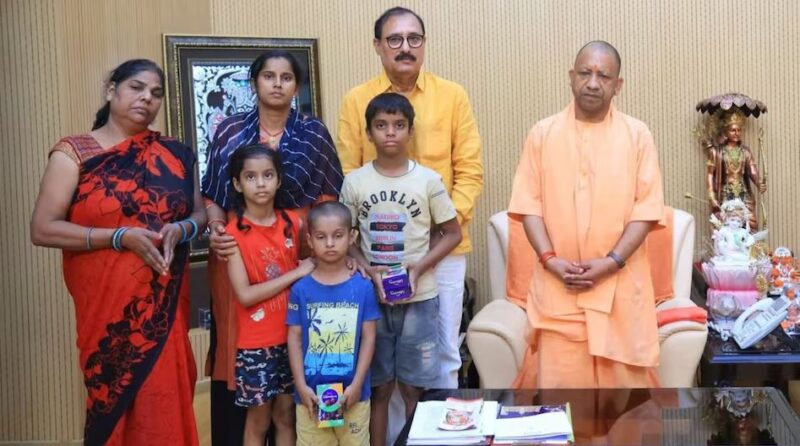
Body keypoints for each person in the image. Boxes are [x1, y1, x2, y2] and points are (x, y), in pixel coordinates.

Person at [30, 59, 205, 445]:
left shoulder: (176, 154)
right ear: (112, 89)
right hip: (108, 312)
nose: (147, 98)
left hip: (162, 308)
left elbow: (199, 215)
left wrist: (182, 229)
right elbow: (43, 228)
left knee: (162, 400)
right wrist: (118, 237)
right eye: (136, 88)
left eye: (156, 93)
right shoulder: (74, 153)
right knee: (113, 404)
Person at [337, 6, 482, 390]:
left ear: (424, 43)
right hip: (379, 253)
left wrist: (439, 228)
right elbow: (348, 173)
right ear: (378, 45)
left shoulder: (452, 96)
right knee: (383, 356)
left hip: (443, 249)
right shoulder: (357, 100)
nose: (405, 47)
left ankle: (439, 422)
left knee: (445, 350)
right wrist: (361, 251)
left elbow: (469, 171)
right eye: (395, 39)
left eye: (413, 39)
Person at [202, 50, 343, 444]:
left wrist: (324, 250)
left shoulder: (313, 132)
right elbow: (212, 192)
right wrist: (216, 228)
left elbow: (329, 196)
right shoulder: (230, 130)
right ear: (254, 83)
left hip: (302, 248)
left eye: (286, 77)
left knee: (299, 362)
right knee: (243, 362)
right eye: (268, 76)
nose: (277, 84)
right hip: (238, 247)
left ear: (297, 86)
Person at [508, 41, 665, 389]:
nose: (593, 83)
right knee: (562, 404)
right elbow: (528, 206)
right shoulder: (543, 134)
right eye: (585, 73)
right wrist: (550, 260)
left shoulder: (637, 135)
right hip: (559, 288)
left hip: (620, 287)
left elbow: (647, 210)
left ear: (617, 85)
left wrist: (611, 262)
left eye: (603, 76)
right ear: (571, 77)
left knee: (624, 410)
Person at [340, 93, 462, 446]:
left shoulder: (428, 181)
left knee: (414, 389)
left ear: (411, 131)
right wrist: (366, 268)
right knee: (379, 388)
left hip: (420, 298)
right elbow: (345, 236)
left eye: (398, 125)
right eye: (381, 126)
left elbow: (452, 233)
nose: (390, 132)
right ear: (368, 133)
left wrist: (419, 267)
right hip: (373, 300)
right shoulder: (355, 182)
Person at [223, 144, 315, 445]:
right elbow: (245, 295)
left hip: (293, 337)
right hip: (256, 344)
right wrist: (295, 274)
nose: (260, 183)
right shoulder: (232, 233)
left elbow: (313, 264)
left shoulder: (293, 223)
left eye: (267, 175)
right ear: (238, 184)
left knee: (286, 416)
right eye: (250, 177)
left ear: (278, 179)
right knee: (259, 421)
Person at [287, 201, 381, 446]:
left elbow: (369, 337)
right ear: (309, 240)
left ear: (351, 237)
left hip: (353, 396)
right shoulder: (300, 289)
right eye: (321, 237)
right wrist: (301, 386)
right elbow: (294, 339)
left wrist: (357, 385)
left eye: (337, 236)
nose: (329, 243)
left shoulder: (363, 287)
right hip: (310, 398)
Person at [705, 110, 766, 230]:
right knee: (724, 224)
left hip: (743, 192)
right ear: (726, 132)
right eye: (733, 130)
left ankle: (750, 241)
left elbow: (752, 170)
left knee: (751, 223)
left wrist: (759, 182)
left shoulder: (745, 151)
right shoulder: (717, 152)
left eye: (739, 130)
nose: (736, 133)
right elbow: (710, 174)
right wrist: (711, 195)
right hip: (725, 193)